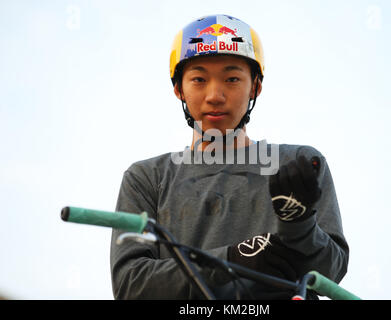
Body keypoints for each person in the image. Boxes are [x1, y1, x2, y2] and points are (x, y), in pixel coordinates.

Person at [110, 14, 349, 300]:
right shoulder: (148, 178)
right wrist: (234, 261)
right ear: (179, 90)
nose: (214, 95)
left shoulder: (298, 164)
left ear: (256, 86)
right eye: (199, 79)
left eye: (232, 78)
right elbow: (130, 286)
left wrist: (299, 225)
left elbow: (330, 271)